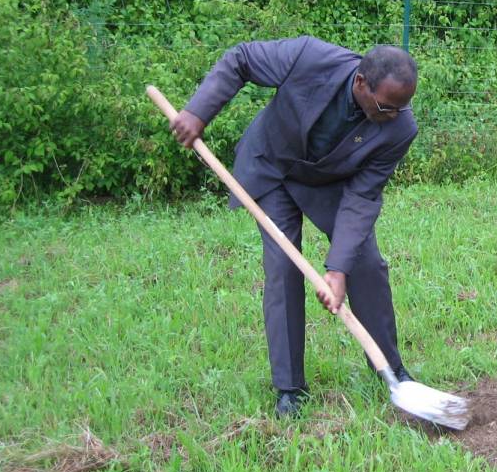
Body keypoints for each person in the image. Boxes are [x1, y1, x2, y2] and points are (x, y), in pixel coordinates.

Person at [170, 37, 419, 418]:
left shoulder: (399, 127)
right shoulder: (310, 58)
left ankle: (389, 367)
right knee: (283, 269)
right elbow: (241, 59)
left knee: (365, 263)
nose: (394, 115)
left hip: (329, 184)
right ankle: (290, 389)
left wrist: (337, 269)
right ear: (361, 83)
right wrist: (198, 112)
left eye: (401, 107)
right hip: (272, 167)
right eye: (387, 106)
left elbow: (363, 197)